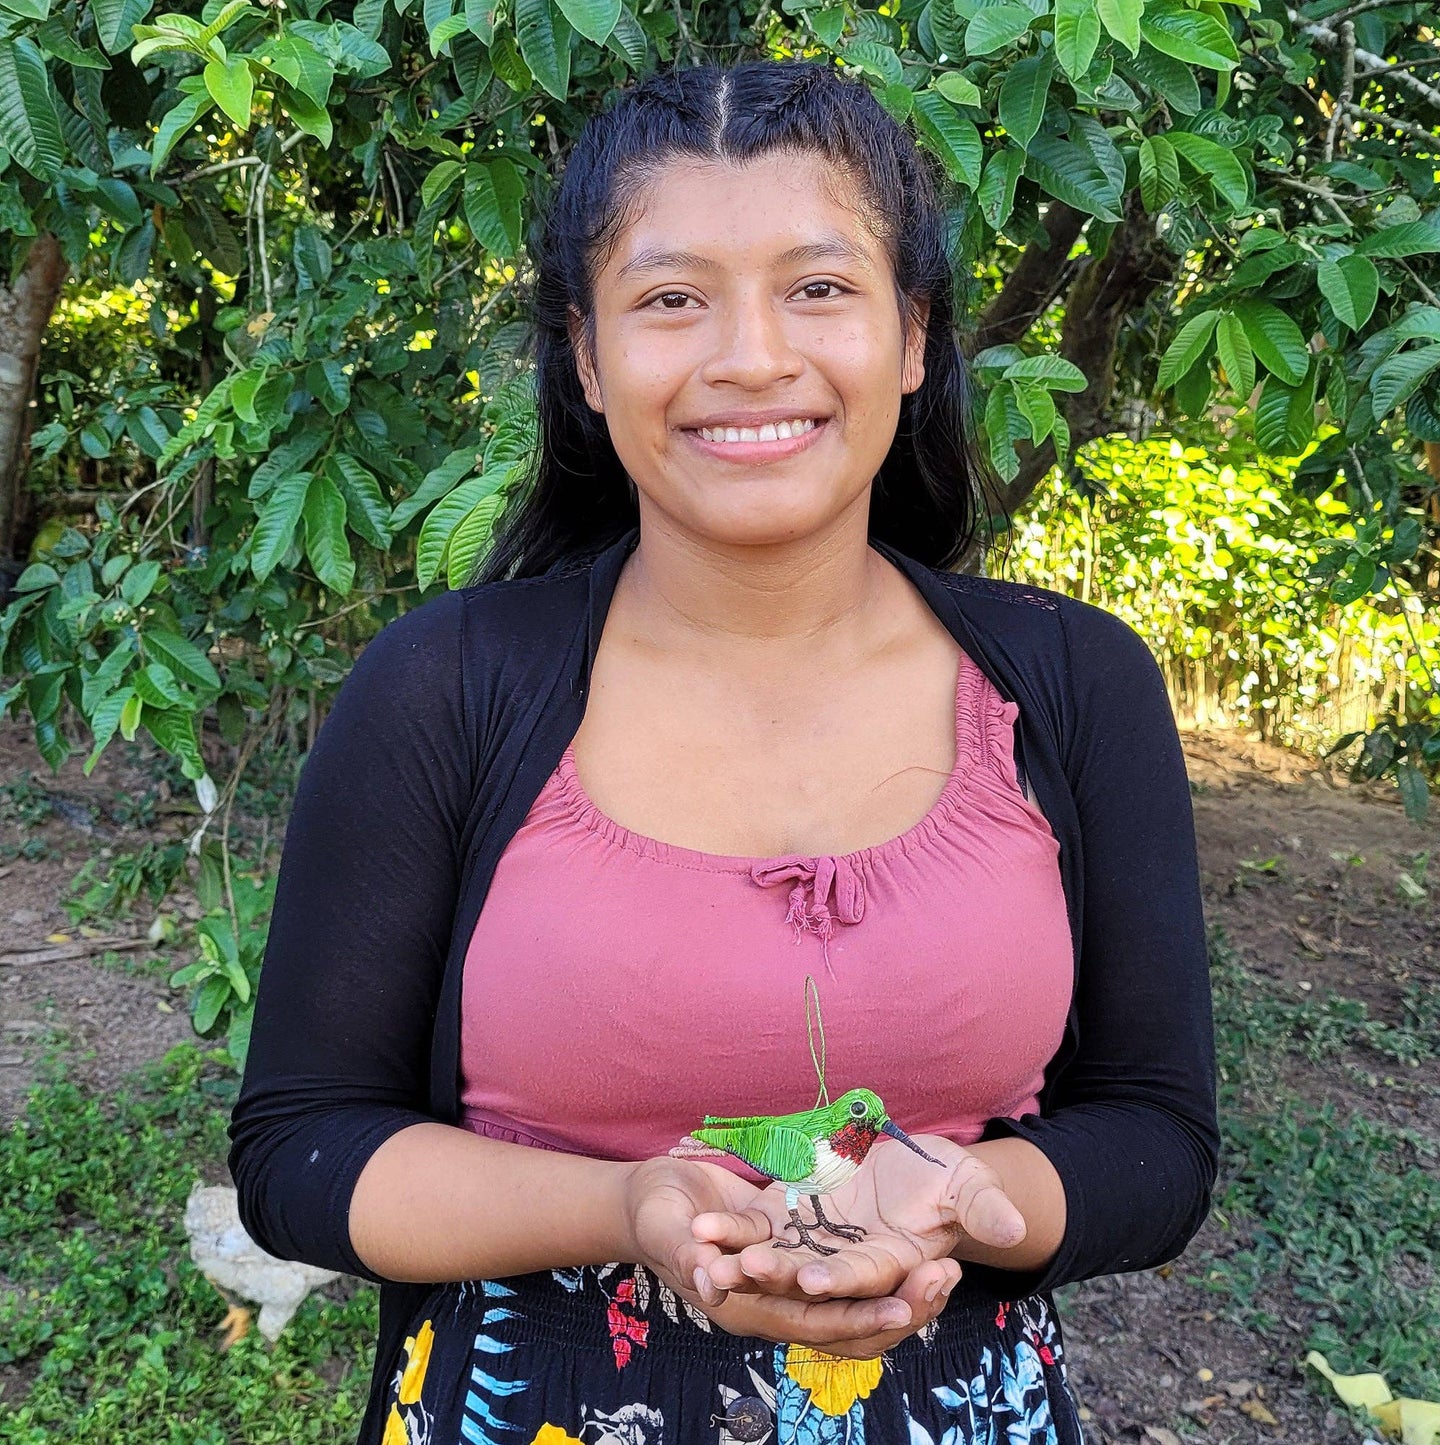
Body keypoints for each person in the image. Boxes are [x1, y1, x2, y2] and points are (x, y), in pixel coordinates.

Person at [228, 59, 1218, 1445]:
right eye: (671, 298)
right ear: (583, 355)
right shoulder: (444, 690)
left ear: (914, 333)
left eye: (817, 287)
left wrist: (953, 1191)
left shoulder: (1068, 684)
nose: (751, 355)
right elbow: (300, 1149)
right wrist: (627, 1205)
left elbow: (1159, 1136)